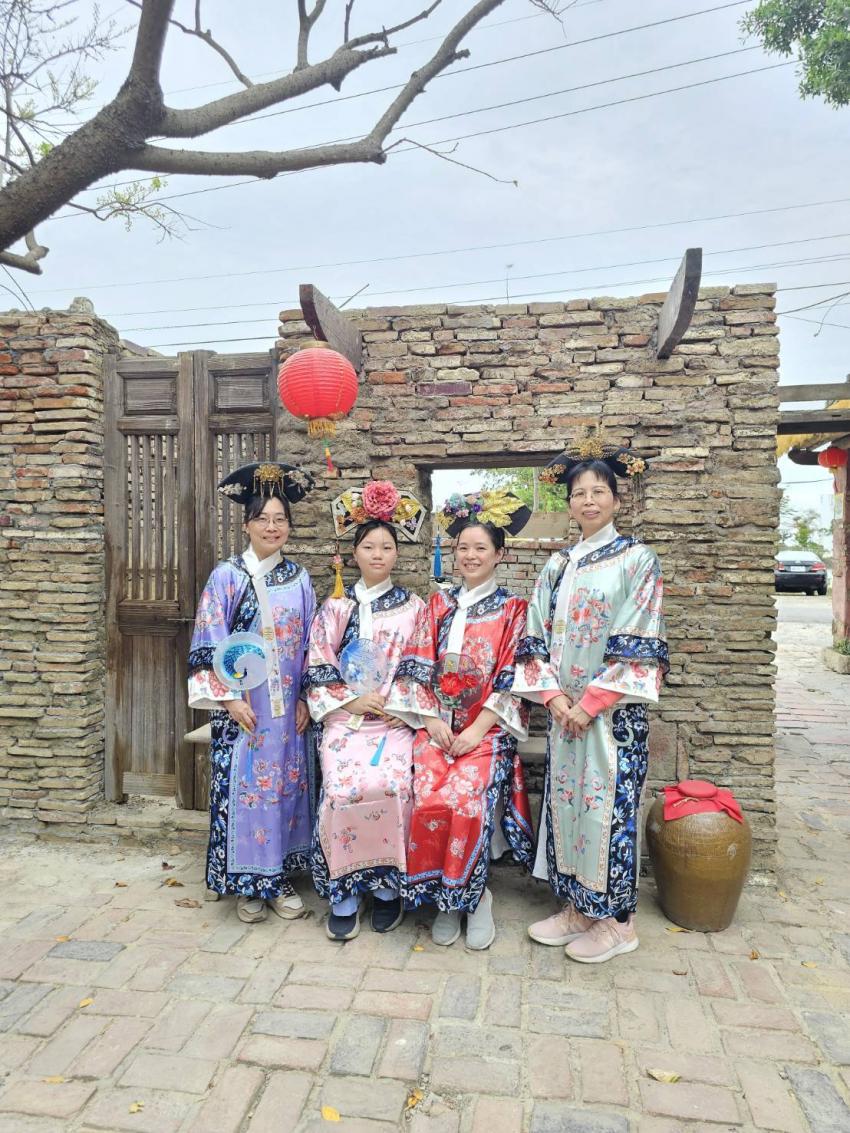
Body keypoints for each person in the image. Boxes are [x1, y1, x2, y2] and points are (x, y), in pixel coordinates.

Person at [513, 441, 668, 963]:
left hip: (611, 719)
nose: (588, 500)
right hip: (564, 717)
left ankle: (618, 923)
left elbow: (639, 638)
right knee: (569, 808)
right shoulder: (558, 565)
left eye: (599, 491)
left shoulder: (638, 560)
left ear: (616, 500)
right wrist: (554, 698)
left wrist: (590, 703)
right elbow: (534, 635)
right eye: (579, 493)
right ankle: (580, 909)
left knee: (608, 813)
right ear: (569, 503)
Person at [386, 490, 535, 951]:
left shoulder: (514, 611)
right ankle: (445, 901)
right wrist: (431, 720)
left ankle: (475, 896)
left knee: (465, 801)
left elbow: (511, 677)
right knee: (427, 797)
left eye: (481, 548)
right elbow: (416, 663)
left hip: (485, 731)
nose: (470, 556)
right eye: (463, 547)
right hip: (435, 727)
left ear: (499, 554)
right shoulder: (438, 604)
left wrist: (475, 730)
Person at [188, 461, 316, 924]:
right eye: (263, 519)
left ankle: (278, 876)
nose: (272, 527)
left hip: (288, 712)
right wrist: (228, 700)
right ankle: (248, 884)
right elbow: (208, 640)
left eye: (280, 519)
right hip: (244, 709)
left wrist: (305, 697)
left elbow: (312, 644)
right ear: (247, 525)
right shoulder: (227, 576)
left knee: (285, 788)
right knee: (247, 790)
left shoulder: (299, 579)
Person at [305, 480, 427, 941]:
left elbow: (420, 662)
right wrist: (350, 700)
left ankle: (387, 889)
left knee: (393, 785)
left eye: (387, 547)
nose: (378, 554)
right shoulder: (337, 607)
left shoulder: (414, 607)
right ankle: (344, 892)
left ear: (397, 554)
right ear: (353, 553)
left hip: (394, 723)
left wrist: (402, 706)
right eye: (369, 547)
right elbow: (317, 662)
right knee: (342, 790)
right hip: (345, 719)